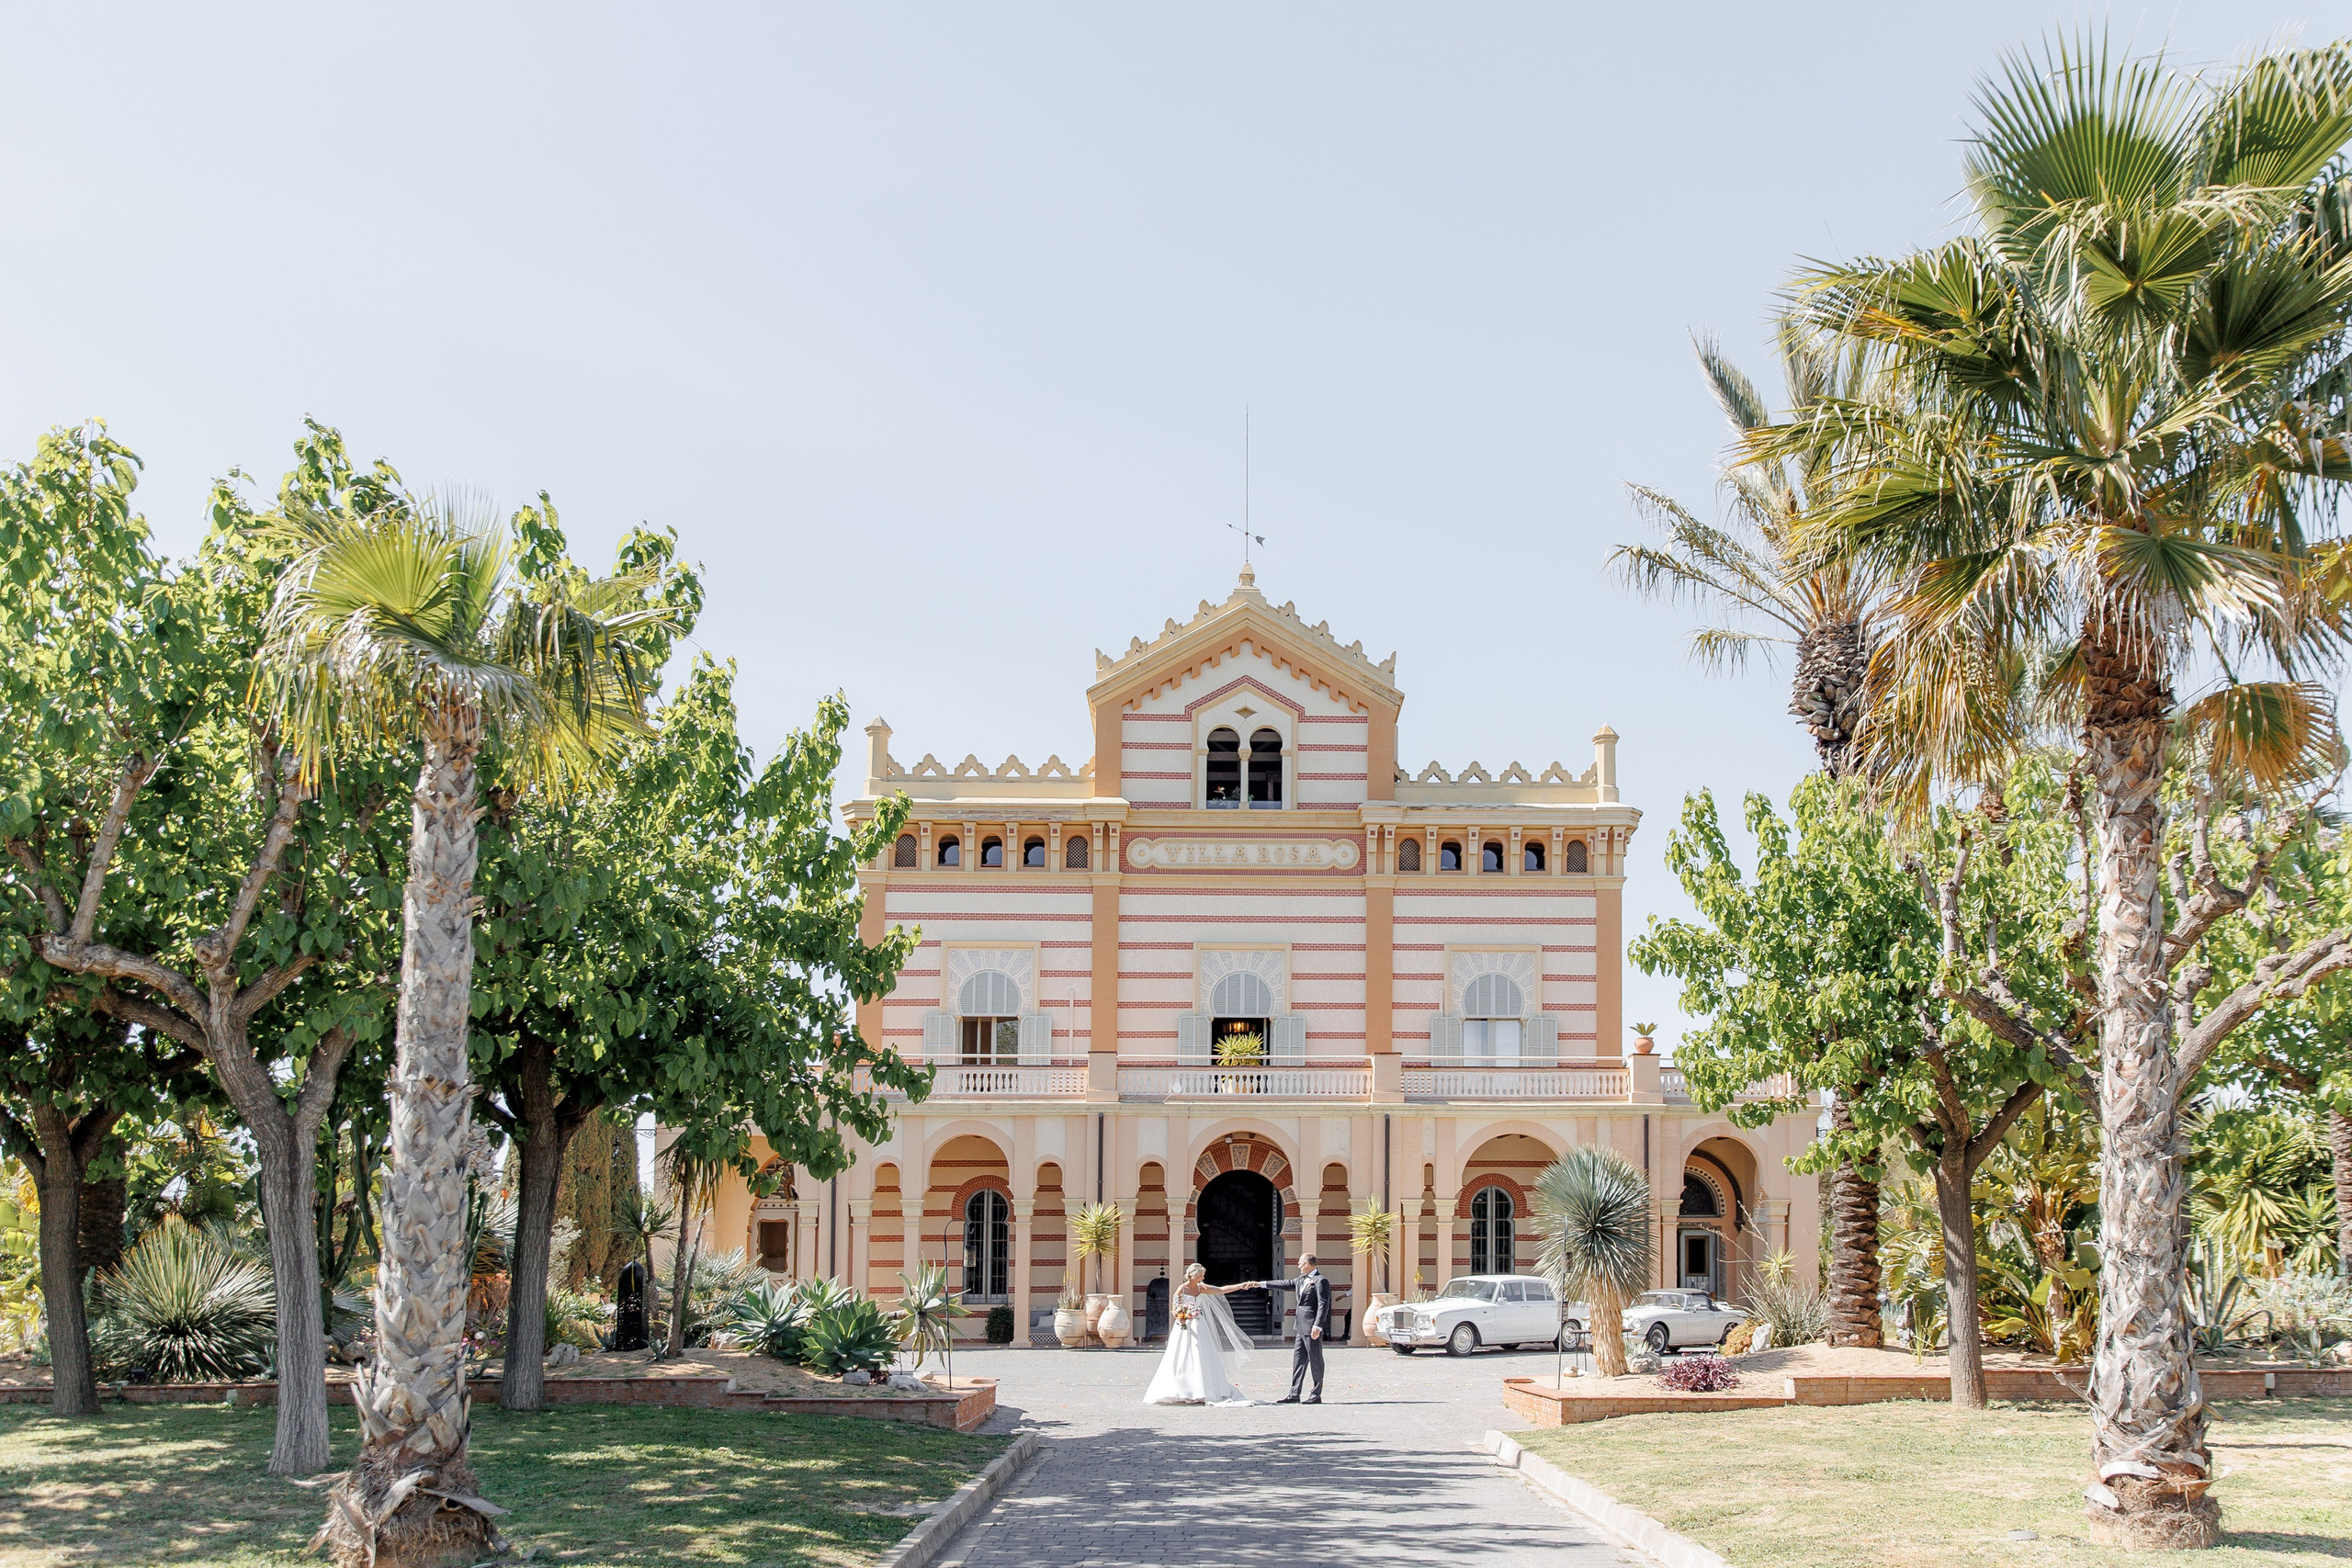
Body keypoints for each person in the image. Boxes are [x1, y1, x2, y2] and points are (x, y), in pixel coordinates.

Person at [1143, 1264, 1260, 1405]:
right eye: (1201, 1275)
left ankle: (1203, 1390)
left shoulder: (1201, 1288)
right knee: (1183, 1355)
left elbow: (1221, 1290)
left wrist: (1240, 1286)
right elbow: (1174, 1309)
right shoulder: (1181, 1289)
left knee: (1200, 1353)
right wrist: (1181, 1314)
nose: (1203, 1277)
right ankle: (1183, 1390)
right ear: (1193, 1275)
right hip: (1184, 1326)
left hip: (1199, 1325)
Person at [1259, 1254, 1330, 1404]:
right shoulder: (1300, 1279)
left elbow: (1323, 1304)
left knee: (1315, 1359)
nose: (1298, 1266)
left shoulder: (1320, 1280)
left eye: (1300, 1263)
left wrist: (1318, 1325)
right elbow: (1284, 1283)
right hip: (1300, 1326)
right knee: (1299, 1360)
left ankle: (1316, 1394)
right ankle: (1294, 1393)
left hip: (1311, 1326)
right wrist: (1262, 1284)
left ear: (1308, 1264)